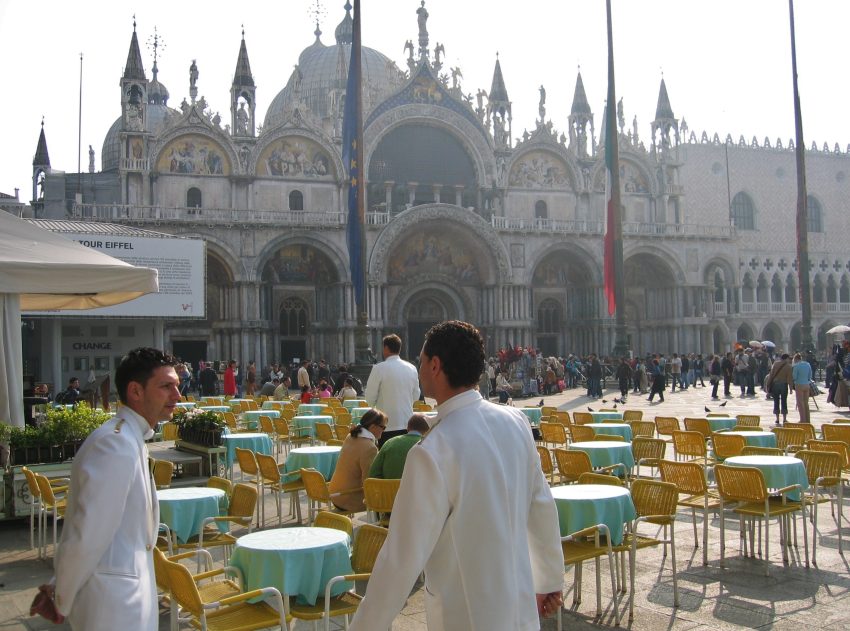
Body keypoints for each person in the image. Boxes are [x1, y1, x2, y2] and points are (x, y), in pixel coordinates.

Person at [349, 320, 563, 631]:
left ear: (435, 366)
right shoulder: (516, 421)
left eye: (421, 361)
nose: (419, 370)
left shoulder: (432, 451)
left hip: (465, 615)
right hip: (520, 610)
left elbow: (401, 559)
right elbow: (541, 507)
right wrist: (549, 579)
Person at [31, 348, 180, 630]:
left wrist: (58, 584)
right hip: (114, 608)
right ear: (136, 391)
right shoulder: (115, 445)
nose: (177, 396)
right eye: (166, 386)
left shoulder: (128, 438)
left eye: (177, 386)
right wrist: (61, 596)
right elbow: (87, 533)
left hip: (126, 599)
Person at [364, 334, 420, 446]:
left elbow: (369, 398)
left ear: (386, 348)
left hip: (385, 425)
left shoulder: (379, 368)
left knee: (387, 460)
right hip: (407, 423)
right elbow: (416, 396)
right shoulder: (412, 368)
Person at [327, 408, 387, 512]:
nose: (384, 430)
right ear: (373, 427)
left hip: (335, 493)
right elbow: (368, 481)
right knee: (390, 498)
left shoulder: (351, 436)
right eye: (383, 427)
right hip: (349, 497)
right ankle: (380, 526)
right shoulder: (369, 447)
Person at [368, 413, 430, 479]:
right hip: (416, 488)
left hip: (388, 489)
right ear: (427, 430)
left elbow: (373, 473)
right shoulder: (429, 445)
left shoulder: (389, 443)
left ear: (408, 428)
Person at [765, 353, 792, 425]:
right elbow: (789, 378)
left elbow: (771, 374)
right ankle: (784, 419)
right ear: (786, 359)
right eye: (788, 359)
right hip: (783, 385)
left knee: (776, 401)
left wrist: (768, 384)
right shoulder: (788, 367)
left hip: (775, 385)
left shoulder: (776, 364)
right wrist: (791, 388)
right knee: (784, 401)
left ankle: (777, 419)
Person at [791, 352, 813, 423]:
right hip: (807, 384)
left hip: (799, 385)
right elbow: (810, 376)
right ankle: (807, 419)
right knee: (806, 403)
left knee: (800, 403)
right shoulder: (808, 364)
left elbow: (794, 377)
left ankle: (802, 420)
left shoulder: (796, 366)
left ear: (796, 359)